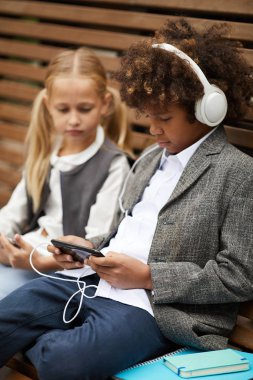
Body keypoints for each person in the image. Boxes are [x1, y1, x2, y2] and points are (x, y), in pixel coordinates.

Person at [0, 19, 252, 380]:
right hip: (92, 283)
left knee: (63, 360)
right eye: (148, 117)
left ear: (206, 110)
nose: (153, 129)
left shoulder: (237, 173)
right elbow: (122, 233)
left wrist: (150, 277)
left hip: (153, 310)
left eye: (164, 118)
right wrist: (87, 247)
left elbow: (239, 275)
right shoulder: (151, 160)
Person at [0, 47, 130, 299]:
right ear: (49, 106)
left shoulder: (113, 164)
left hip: (66, 273)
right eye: (63, 109)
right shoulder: (47, 153)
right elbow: (13, 213)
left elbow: (96, 242)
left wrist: (39, 262)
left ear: (104, 105)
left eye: (84, 109)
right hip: (28, 250)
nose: (73, 120)